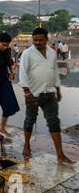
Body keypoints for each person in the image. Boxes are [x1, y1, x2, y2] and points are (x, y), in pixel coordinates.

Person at [19, 27, 75, 165]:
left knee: (54, 122)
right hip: (33, 93)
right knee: (30, 120)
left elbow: (54, 71)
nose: (37, 42)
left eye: (40, 40)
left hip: (49, 93)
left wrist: (58, 89)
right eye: (35, 40)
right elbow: (22, 72)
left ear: (46, 40)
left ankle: (60, 155)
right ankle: (27, 146)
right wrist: (27, 92)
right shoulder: (27, 53)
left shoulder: (51, 52)